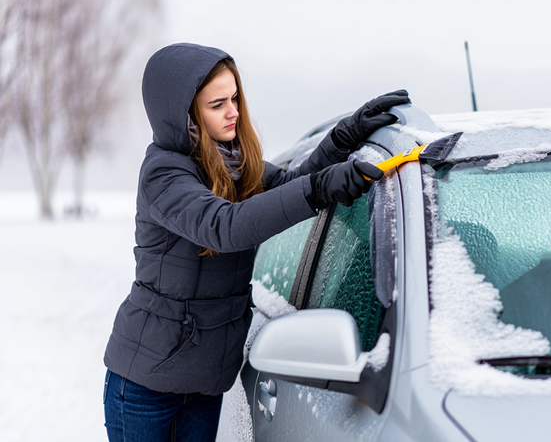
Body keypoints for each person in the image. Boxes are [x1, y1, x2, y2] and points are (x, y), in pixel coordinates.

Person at [102, 42, 409, 441]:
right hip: (146, 387)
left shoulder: (232, 162)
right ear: (184, 115)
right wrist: (319, 188)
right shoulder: (163, 173)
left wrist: (343, 137)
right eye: (217, 105)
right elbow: (223, 226)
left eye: (234, 99)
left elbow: (289, 185)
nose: (233, 111)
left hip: (204, 383)